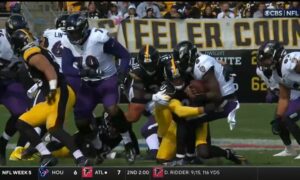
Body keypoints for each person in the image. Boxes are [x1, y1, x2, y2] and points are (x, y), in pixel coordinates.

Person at [8, 28, 90, 166]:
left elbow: (49, 70)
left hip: (58, 92)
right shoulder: (35, 49)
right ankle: (46, 155)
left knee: (54, 128)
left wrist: (51, 89)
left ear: (18, 43)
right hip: (53, 94)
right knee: (22, 123)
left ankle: (81, 158)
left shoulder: (31, 53)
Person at [61, 13, 136, 164]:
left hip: (107, 80)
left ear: (83, 29)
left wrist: (121, 73)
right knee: (81, 121)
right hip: (88, 84)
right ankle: (99, 147)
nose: (73, 36)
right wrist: (82, 72)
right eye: (71, 33)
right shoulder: (67, 41)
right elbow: (66, 67)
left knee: (112, 109)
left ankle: (128, 142)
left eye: (76, 32)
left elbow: (125, 55)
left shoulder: (98, 38)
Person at [257, 40, 300, 159]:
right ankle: (290, 150)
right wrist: (278, 118)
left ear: (275, 55)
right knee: (281, 119)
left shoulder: (289, 62)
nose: (264, 63)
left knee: (288, 119)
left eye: (266, 58)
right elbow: (284, 97)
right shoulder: (276, 73)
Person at [0, 14, 31, 166]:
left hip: (9, 81)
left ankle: (2, 143)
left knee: (23, 113)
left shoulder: (25, 39)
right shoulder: (1, 39)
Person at [123, 45, 163, 159]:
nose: (150, 68)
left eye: (152, 64)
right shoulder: (137, 73)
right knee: (132, 117)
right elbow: (134, 113)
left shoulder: (165, 66)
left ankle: (156, 149)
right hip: (147, 97)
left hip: (164, 98)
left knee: (151, 125)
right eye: (146, 65)